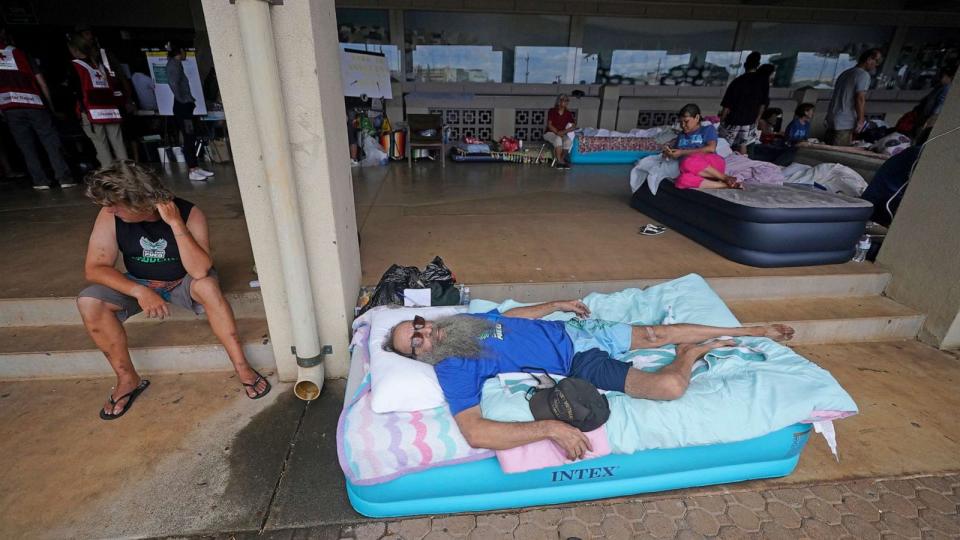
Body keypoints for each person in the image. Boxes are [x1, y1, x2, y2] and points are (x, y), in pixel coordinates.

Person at [385, 300, 795, 459]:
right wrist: (550, 427)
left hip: (575, 330)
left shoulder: (461, 322)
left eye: (417, 325)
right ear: (421, 356)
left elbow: (512, 319)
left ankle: (751, 332)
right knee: (670, 387)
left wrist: (556, 305)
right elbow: (474, 431)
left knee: (655, 333)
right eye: (415, 342)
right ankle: (690, 355)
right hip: (580, 361)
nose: (424, 333)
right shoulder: (453, 367)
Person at [77, 160, 270, 420]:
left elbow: (200, 269)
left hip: (183, 281)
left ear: (138, 202)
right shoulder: (109, 215)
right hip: (139, 281)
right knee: (89, 301)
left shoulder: (190, 214)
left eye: (116, 205)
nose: (110, 210)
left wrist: (176, 225)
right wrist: (139, 290)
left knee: (208, 286)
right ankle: (127, 379)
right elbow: (95, 268)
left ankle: (242, 366)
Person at [0, 25, 75, 190]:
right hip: (35, 104)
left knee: (26, 146)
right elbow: (41, 81)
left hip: (10, 107)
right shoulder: (21, 53)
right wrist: (50, 105)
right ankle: (64, 178)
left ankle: (40, 181)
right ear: (4, 33)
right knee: (50, 141)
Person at [68, 34, 128, 168]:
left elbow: (76, 91)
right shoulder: (100, 65)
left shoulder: (76, 66)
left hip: (91, 111)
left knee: (100, 144)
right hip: (110, 109)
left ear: (75, 50)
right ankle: (127, 173)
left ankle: (109, 175)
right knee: (118, 143)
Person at [663, 103, 741, 189]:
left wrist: (682, 152)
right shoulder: (681, 136)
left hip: (713, 164)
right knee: (681, 181)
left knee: (687, 162)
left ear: (697, 118)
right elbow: (677, 154)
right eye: (680, 122)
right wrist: (669, 153)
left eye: (686, 121)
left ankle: (725, 177)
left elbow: (711, 148)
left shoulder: (707, 129)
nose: (683, 125)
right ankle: (725, 184)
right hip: (695, 170)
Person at [166, 43, 214, 181]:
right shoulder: (173, 65)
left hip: (185, 106)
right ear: (180, 51)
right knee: (188, 137)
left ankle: (196, 167)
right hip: (183, 107)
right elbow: (173, 84)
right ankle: (192, 169)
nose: (185, 53)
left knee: (191, 136)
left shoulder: (175, 64)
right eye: (184, 50)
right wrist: (183, 100)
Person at [825, 48, 883, 146]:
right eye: (876, 61)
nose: (876, 65)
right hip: (845, 121)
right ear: (869, 59)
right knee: (838, 154)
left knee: (826, 149)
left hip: (832, 117)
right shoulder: (863, 75)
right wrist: (861, 119)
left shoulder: (845, 73)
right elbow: (860, 98)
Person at [718, 51, 769, 154]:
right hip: (750, 120)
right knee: (743, 145)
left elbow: (727, 106)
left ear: (745, 65)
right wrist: (757, 119)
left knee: (725, 145)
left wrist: (721, 121)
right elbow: (763, 103)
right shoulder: (762, 82)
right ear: (758, 65)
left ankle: (726, 164)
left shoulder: (737, 81)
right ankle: (742, 165)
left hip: (734, 119)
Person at [903, 64, 956, 139]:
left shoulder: (946, 88)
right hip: (923, 115)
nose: (941, 78)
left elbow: (939, 104)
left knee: (915, 134)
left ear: (950, 77)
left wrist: (930, 119)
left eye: (943, 76)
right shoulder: (940, 86)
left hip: (926, 117)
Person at [544, 94, 576, 169]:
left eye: (567, 101)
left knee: (568, 141)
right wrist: (558, 132)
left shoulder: (568, 113)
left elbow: (574, 125)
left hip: (562, 133)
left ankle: (561, 159)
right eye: (564, 100)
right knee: (558, 139)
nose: (566, 102)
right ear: (559, 101)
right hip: (550, 133)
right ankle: (559, 161)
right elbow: (549, 125)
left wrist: (564, 132)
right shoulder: (552, 111)